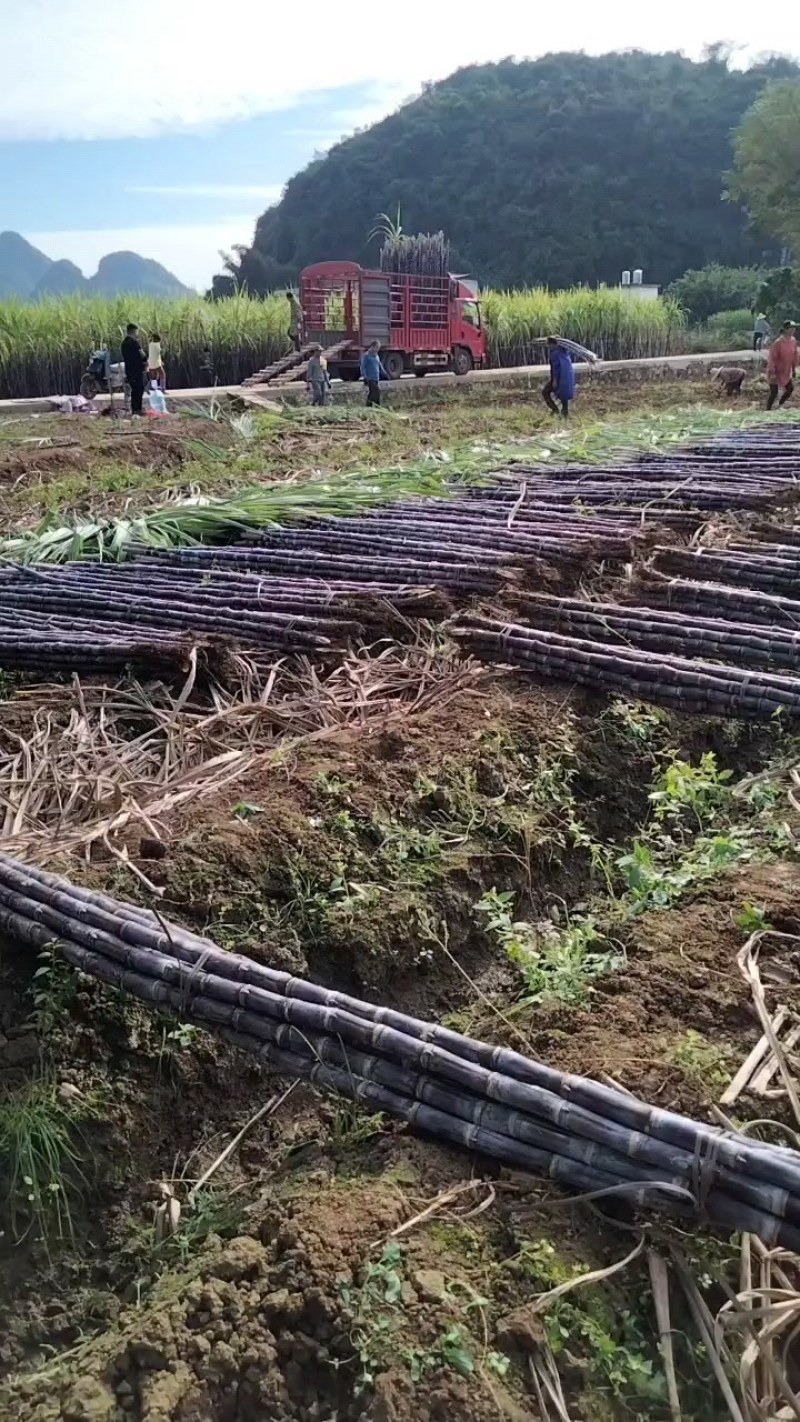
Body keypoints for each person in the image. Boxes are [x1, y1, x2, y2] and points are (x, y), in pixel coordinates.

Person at [766, 321, 798, 410]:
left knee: (790, 389)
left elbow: (794, 355)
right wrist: (772, 372)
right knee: (774, 392)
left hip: (786, 371)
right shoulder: (778, 343)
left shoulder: (793, 340)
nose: (793, 330)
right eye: (791, 328)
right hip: (775, 371)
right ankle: (767, 410)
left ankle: (779, 404)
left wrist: (794, 369)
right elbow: (772, 358)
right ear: (785, 329)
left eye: (794, 328)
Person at [542, 336, 575, 418]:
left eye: (549, 344)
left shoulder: (554, 354)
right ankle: (565, 414)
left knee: (545, 392)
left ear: (553, 344)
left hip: (559, 378)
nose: (548, 346)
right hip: (566, 378)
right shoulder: (565, 352)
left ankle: (555, 410)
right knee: (564, 397)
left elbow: (555, 369)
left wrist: (555, 381)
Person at [121, 322, 147, 416]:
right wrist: (145, 362)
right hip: (137, 370)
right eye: (137, 332)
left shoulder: (123, 344)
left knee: (134, 389)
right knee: (139, 389)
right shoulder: (134, 343)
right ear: (133, 331)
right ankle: (138, 409)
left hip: (129, 370)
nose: (137, 334)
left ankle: (134, 410)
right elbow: (143, 355)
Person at [360, 340, 388, 407]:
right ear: (372, 347)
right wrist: (365, 376)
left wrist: (385, 373)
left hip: (376, 378)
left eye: (378, 348)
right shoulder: (366, 356)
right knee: (376, 393)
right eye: (377, 347)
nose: (378, 349)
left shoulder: (376, 356)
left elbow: (379, 365)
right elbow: (362, 367)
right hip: (370, 378)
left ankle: (368, 408)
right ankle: (378, 407)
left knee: (372, 394)